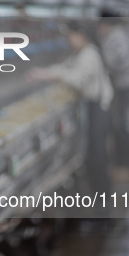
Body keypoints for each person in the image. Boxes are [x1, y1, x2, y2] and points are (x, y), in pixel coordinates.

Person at [26, 22, 114, 206]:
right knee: (93, 153)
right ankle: (99, 200)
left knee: (97, 155)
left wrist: (52, 76)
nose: (69, 40)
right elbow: (66, 68)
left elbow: (77, 79)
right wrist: (43, 73)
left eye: (71, 36)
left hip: (98, 107)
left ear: (81, 35)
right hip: (92, 105)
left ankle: (102, 203)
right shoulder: (82, 53)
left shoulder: (90, 55)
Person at [98, 12, 129, 184]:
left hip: (127, 85)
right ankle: (127, 167)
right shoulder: (123, 34)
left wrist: (103, 62)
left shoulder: (115, 37)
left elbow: (115, 60)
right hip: (128, 84)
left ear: (104, 25)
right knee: (123, 125)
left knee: (125, 126)